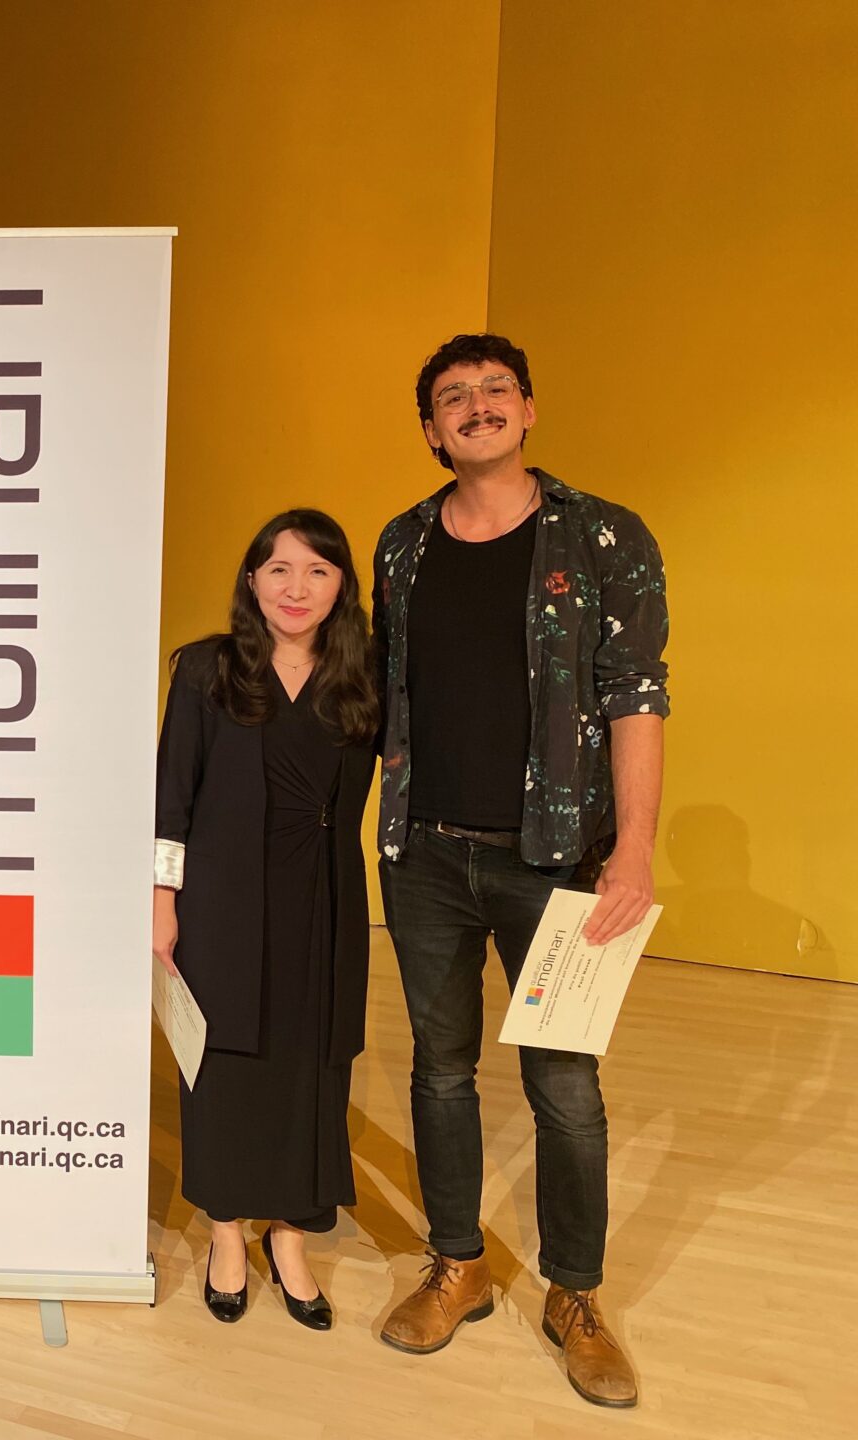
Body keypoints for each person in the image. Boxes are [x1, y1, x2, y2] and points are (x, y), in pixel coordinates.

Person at [371, 335, 668, 1408]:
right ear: (432, 429)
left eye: (497, 389)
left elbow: (637, 694)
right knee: (440, 1069)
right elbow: (385, 693)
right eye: (454, 397)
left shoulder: (604, 535)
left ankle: (574, 1294)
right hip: (424, 856)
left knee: (565, 1088)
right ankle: (456, 1264)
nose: (478, 406)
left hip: (557, 860)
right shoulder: (402, 544)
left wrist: (634, 849)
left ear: (529, 409)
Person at [153, 509, 379, 1331]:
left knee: (312, 1066)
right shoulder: (206, 669)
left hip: (323, 898)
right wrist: (161, 902)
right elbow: (171, 796)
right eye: (279, 569)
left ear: (341, 587)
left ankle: (289, 1238)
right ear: (252, 580)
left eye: (318, 570)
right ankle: (225, 1232)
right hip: (220, 898)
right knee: (222, 1066)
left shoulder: (364, 676)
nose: (296, 587)